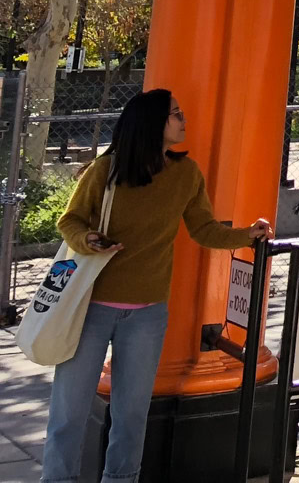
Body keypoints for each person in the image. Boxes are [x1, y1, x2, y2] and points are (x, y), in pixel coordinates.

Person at [43, 90, 270, 483]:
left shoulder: (186, 174)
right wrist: (89, 240)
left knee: (131, 414)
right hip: (90, 308)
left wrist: (248, 235)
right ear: (151, 123)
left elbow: (204, 230)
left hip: (147, 314)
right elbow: (70, 221)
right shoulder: (106, 170)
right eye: (175, 114)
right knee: (69, 412)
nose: (184, 120)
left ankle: (121, 479)